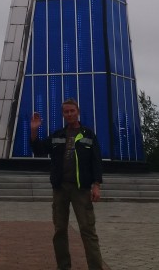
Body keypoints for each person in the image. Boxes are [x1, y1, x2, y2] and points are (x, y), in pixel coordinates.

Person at [30, 98, 104, 270]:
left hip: (81, 189)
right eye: (66, 112)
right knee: (60, 230)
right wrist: (34, 131)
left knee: (87, 230)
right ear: (63, 114)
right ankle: (63, 266)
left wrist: (96, 185)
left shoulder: (88, 135)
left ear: (78, 112)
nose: (69, 114)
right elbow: (39, 150)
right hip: (60, 189)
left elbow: (96, 161)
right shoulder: (57, 135)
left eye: (72, 111)